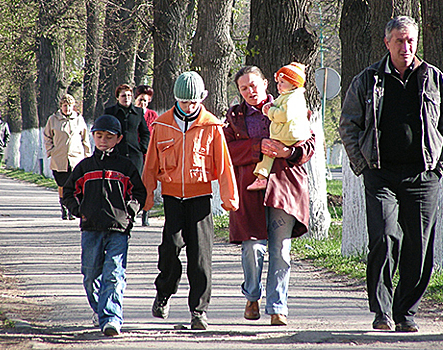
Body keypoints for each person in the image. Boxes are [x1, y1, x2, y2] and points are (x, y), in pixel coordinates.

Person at [339, 16, 443, 332]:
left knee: (419, 247)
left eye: (411, 41)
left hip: (422, 176)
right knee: (383, 237)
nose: (406, 47)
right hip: (381, 175)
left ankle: (406, 313)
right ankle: (382, 312)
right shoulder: (368, 79)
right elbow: (349, 124)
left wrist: (439, 167)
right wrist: (363, 166)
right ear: (387, 43)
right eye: (399, 41)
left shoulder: (434, 78)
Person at [142, 71, 239, 330]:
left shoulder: (212, 125)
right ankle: (164, 293)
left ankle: (198, 311)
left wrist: (230, 199)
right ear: (176, 99)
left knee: (200, 258)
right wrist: (146, 197)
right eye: (185, 102)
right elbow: (151, 164)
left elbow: (224, 165)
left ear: (202, 98)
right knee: (169, 252)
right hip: (172, 198)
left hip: (200, 199)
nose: (190, 106)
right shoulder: (162, 125)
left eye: (194, 101)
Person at [224, 66, 315, 326]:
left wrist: (289, 153)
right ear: (239, 92)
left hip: (284, 186)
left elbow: (309, 142)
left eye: (254, 85)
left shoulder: (290, 104)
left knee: (281, 250)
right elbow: (226, 150)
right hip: (249, 188)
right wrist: (257, 147)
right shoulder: (234, 117)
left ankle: (278, 307)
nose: (250, 91)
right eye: (244, 88)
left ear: (265, 84)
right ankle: (252, 296)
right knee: (252, 248)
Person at [62, 115, 147, 336]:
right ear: (92, 136)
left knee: (114, 273)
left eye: (109, 137)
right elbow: (68, 192)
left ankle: (111, 318)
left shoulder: (126, 167)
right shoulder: (84, 167)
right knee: (91, 276)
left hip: (118, 229)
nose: (103, 140)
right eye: (99, 136)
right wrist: (79, 211)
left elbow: (139, 192)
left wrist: (130, 212)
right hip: (90, 229)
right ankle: (100, 309)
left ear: (118, 139)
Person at [246, 62, 311, 191]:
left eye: (282, 82)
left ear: (293, 84)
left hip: (289, 134)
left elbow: (284, 115)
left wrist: (269, 112)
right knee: (269, 153)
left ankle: (261, 178)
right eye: (278, 82)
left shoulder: (293, 98)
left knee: (269, 149)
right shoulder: (287, 96)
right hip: (290, 134)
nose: (278, 85)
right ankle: (261, 178)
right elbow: (276, 105)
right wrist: (269, 107)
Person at [44, 94, 91, 219]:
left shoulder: (79, 119)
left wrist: (87, 155)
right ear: (61, 106)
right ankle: (63, 208)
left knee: (75, 185)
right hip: (59, 158)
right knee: (62, 185)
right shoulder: (53, 119)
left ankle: (73, 209)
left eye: (70, 106)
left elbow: (85, 138)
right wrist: (51, 150)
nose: (67, 108)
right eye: (65, 106)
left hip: (76, 158)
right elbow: (47, 136)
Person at [104, 84, 150, 173]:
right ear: (117, 97)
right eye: (123, 96)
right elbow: (104, 131)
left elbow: (145, 133)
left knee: (134, 184)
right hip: (116, 155)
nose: (127, 98)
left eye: (129, 95)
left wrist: (142, 147)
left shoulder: (138, 112)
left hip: (135, 156)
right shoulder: (110, 112)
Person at [134, 84, 159, 226]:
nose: (142, 103)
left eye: (145, 100)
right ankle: (133, 211)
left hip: (149, 154)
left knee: (148, 184)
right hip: (135, 153)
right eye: (140, 100)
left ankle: (146, 213)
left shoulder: (152, 115)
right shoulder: (132, 114)